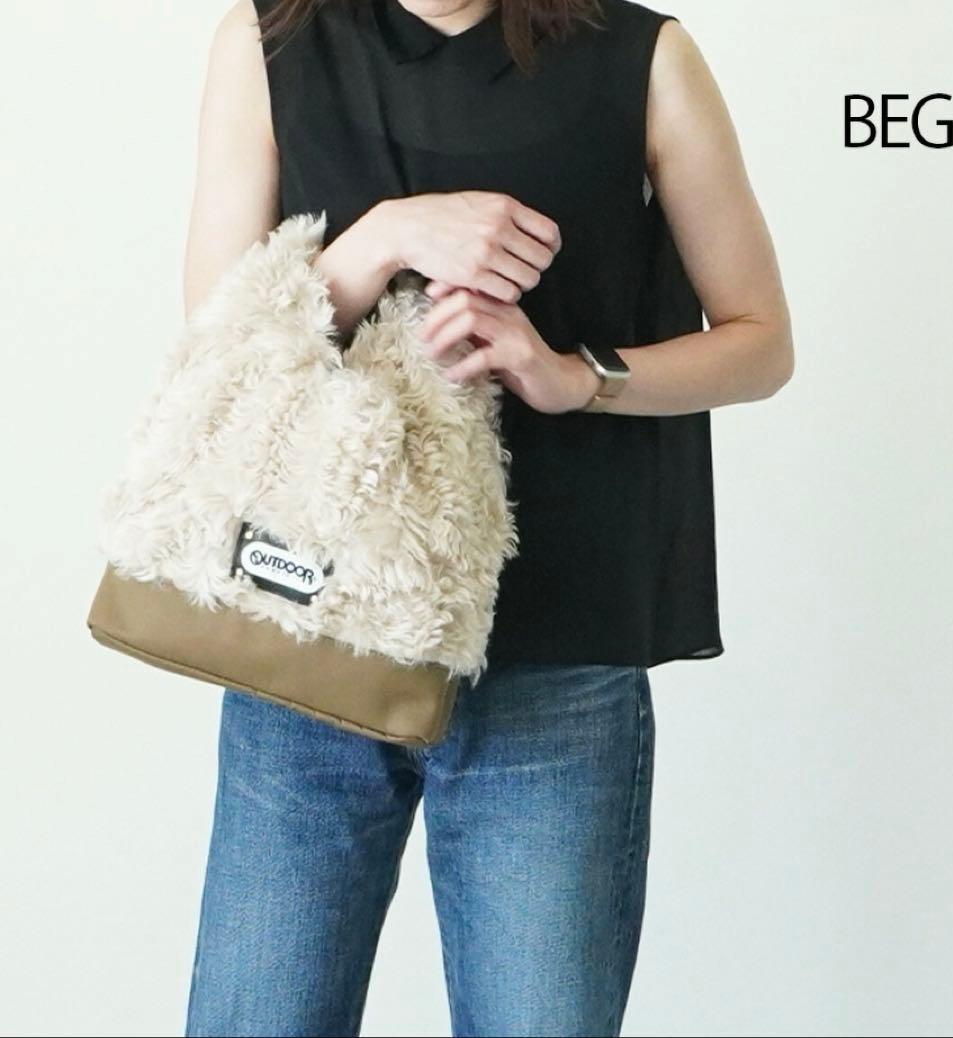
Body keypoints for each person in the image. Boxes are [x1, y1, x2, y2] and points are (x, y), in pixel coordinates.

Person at [182, 1, 794, 1035]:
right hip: (314, 634)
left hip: (557, 650)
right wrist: (381, 241)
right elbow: (216, 351)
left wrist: (576, 376)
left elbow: (761, 341)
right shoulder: (270, 43)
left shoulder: (644, 57)